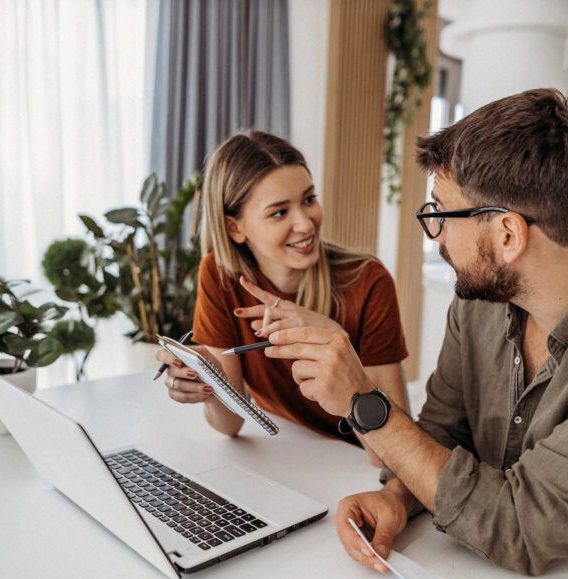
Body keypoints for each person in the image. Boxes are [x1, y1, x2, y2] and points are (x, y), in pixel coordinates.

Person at [263, 89, 568, 579]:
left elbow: (520, 525)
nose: (438, 236)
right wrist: (399, 498)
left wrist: (365, 403)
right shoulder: (481, 303)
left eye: (442, 214)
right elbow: (443, 436)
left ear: (508, 236)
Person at [155, 131, 410, 463]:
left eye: (308, 199)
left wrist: (335, 340)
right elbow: (230, 424)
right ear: (235, 229)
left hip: (356, 464)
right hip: (284, 454)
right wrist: (208, 386)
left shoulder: (367, 281)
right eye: (279, 213)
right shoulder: (221, 275)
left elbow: (394, 456)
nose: (305, 224)